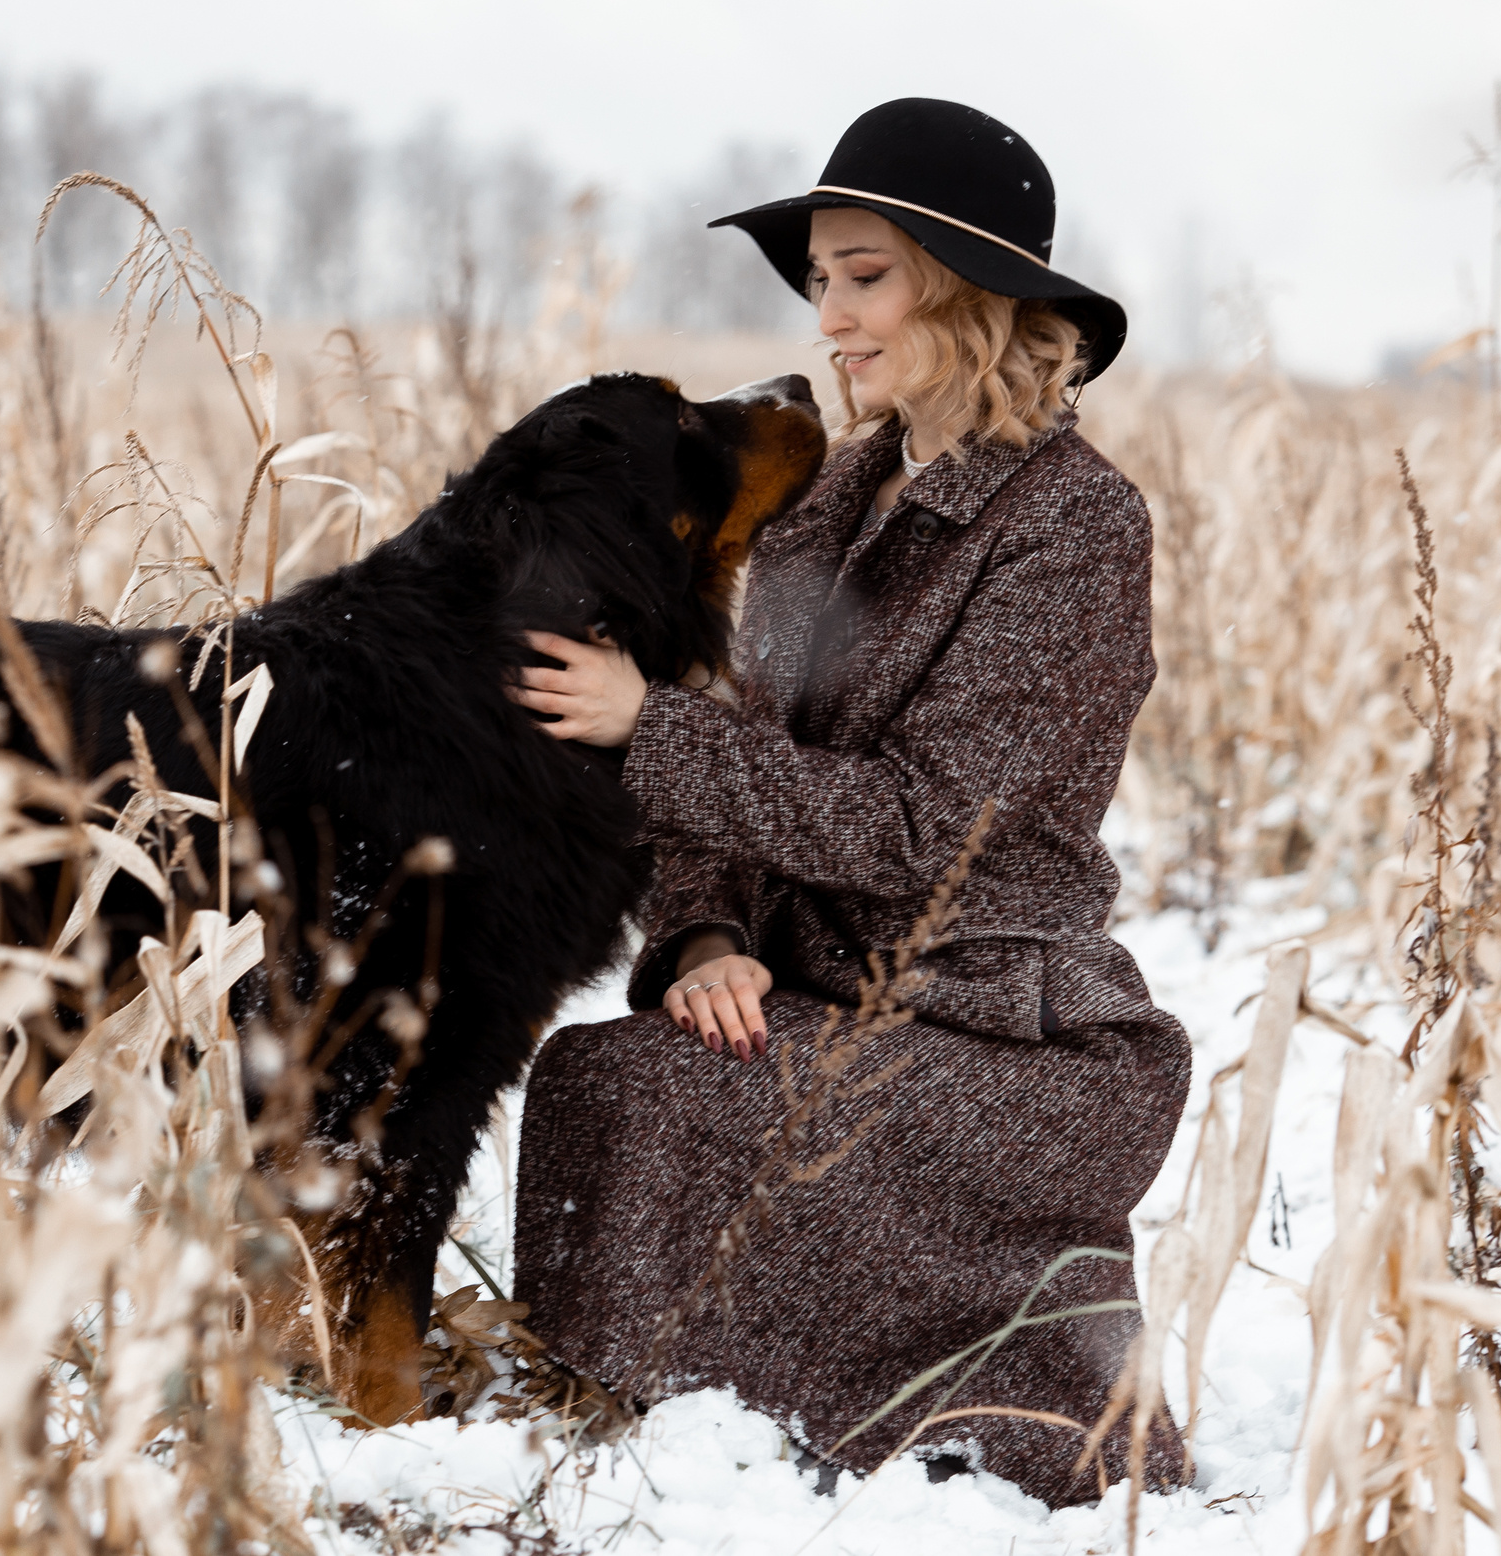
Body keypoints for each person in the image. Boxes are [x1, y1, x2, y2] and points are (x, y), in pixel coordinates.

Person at [503, 98, 1190, 1507]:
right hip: (811, 993)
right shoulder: (827, 502)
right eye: (820, 280)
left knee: (661, 1107)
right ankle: (644, 1399)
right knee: (606, 1078)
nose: (832, 319)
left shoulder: (1074, 525)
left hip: (998, 1031)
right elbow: (727, 794)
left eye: (865, 275)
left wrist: (651, 723)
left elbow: (937, 836)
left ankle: (853, 1412)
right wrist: (700, 940)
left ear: (974, 291)